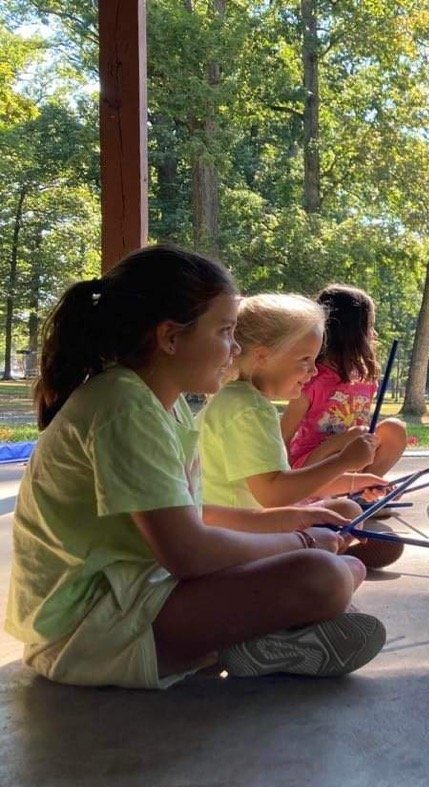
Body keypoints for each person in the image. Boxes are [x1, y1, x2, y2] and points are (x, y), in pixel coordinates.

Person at [6, 245, 385, 689]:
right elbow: (188, 553)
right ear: (170, 337)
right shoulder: (123, 406)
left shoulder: (164, 406)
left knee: (343, 569)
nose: (236, 347)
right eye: (225, 331)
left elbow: (195, 514)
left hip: (134, 593)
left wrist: (295, 519)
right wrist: (299, 541)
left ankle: (259, 639)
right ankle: (259, 636)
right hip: (85, 629)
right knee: (322, 578)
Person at [197, 293, 402, 570]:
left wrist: (357, 481)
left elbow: (283, 478)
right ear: (262, 356)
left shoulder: (243, 400)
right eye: (305, 359)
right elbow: (274, 494)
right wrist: (343, 461)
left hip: (250, 521)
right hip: (239, 534)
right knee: (343, 570)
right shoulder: (248, 410)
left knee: (348, 510)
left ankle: (332, 552)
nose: (312, 371)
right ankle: (328, 557)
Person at [281, 284, 408, 477]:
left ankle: (363, 489)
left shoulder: (365, 378)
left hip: (353, 459)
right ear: (354, 332)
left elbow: (361, 422)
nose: (374, 334)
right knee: (356, 435)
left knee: (394, 429)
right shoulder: (312, 378)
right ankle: (326, 491)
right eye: (369, 326)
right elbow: (284, 435)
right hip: (311, 466)